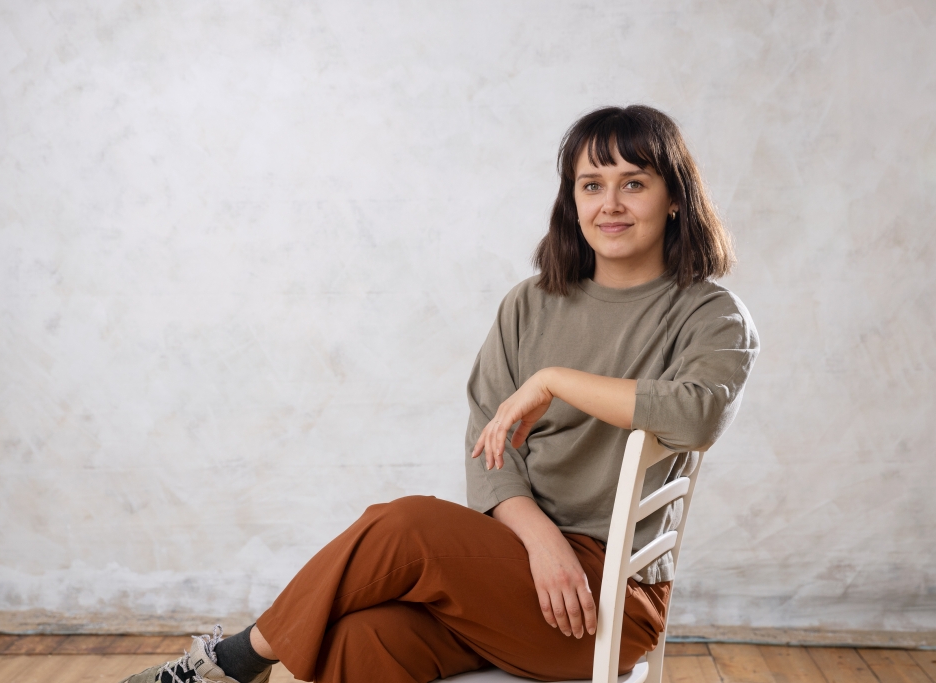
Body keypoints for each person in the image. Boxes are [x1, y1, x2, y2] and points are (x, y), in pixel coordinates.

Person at [121, 104, 758, 683]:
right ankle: (233, 665)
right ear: (572, 199)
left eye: (634, 183)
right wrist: (541, 541)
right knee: (357, 640)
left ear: (675, 198)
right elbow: (490, 446)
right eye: (592, 185)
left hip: (607, 604)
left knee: (407, 524)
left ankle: (231, 663)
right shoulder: (531, 304)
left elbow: (696, 414)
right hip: (515, 567)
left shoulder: (709, 315)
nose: (610, 204)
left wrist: (553, 381)